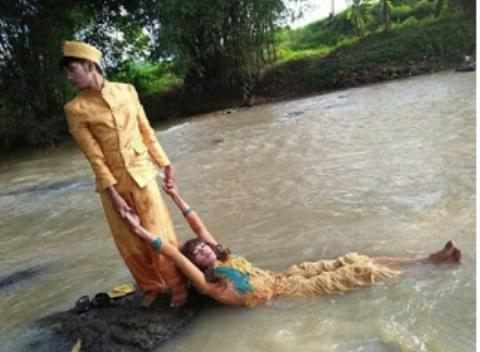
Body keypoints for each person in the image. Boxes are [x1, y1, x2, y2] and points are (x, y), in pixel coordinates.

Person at [123, 183, 462, 308]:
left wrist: (174, 194)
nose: (204, 250)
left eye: (203, 247)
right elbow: (171, 254)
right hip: (285, 296)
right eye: (197, 253)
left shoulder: (222, 255)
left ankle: (426, 258)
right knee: (362, 273)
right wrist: (138, 229)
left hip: (286, 276)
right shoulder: (211, 285)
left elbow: (198, 226)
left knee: (353, 258)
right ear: (197, 264)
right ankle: (429, 269)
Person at [60, 41, 187, 307]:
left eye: (73, 70)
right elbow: (93, 156)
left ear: (90, 65)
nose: (70, 77)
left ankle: (177, 284)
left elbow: (145, 130)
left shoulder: (127, 91)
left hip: (142, 173)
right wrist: (114, 194)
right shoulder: (75, 109)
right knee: (129, 240)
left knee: (157, 231)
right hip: (112, 184)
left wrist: (165, 163)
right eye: (68, 72)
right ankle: (151, 286)